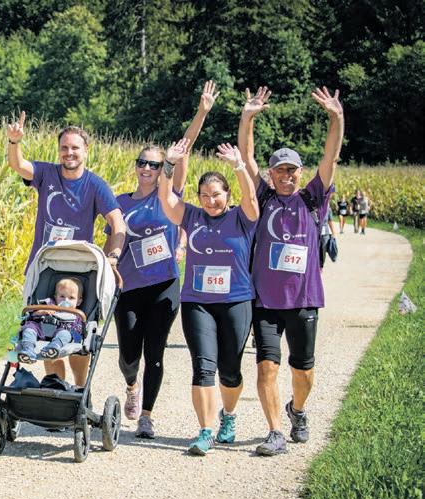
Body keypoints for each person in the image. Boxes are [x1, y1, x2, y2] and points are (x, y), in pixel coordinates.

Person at [108, 80, 219, 439]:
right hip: (129, 287)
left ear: (161, 169)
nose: (147, 168)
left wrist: (201, 112)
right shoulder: (121, 202)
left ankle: (147, 416)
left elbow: (185, 149)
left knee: (155, 353)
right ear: (136, 166)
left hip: (164, 285)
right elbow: (113, 236)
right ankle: (131, 385)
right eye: (142, 162)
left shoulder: (168, 196)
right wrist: (109, 260)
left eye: (154, 164)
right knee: (129, 355)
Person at [238, 85, 344, 456]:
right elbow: (246, 157)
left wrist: (336, 118)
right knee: (266, 368)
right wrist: (247, 118)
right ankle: (275, 432)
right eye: (280, 170)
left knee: (303, 372)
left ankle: (297, 409)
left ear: (300, 173)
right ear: (271, 173)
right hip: (265, 301)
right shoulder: (264, 196)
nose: (287, 175)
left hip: (303, 299)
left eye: (292, 170)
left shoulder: (313, 198)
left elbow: (331, 157)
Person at [6, 115, 126, 387]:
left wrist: (113, 256)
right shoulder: (47, 173)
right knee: (46, 327)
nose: (69, 153)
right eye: (64, 148)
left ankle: (80, 388)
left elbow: (118, 223)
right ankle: (55, 387)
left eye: (75, 148)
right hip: (47, 264)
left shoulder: (95, 185)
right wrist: (14, 142)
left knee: (78, 334)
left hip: (80, 269)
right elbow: (18, 165)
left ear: (86, 151)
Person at [158, 139, 259, 455]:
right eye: (204, 196)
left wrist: (239, 166)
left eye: (216, 195)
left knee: (230, 370)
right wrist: (169, 165)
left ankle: (229, 415)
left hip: (236, 301)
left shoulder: (242, 217)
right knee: (203, 367)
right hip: (197, 302)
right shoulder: (191, 216)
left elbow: (252, 198)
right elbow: (166, 198)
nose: (211, 201)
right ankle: (205, 431)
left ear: (227, 195)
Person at [16, 277, 85, 362]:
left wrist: (72, 333)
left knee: (65, 334)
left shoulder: (77, 315)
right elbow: (32, 315)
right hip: (41, 330)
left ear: (79, 301)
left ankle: (53, 348)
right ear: (56, 297)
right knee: (29, 329)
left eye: (71, 298)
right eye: (62, 296)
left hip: (60, 333)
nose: (66, 300)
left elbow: (78, 332)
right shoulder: (48, 304)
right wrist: (41, 312)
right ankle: (28, 349)